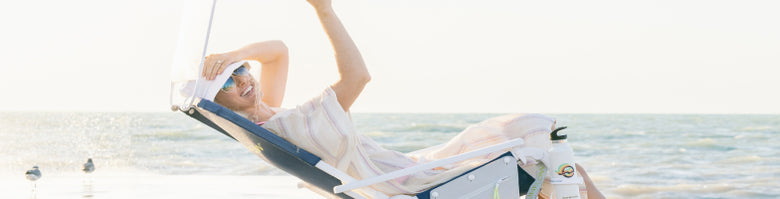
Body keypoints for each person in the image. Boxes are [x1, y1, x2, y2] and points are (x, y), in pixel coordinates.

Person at [195, 0, 605, 198]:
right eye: (227, 85)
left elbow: (279, 49)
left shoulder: (268, 115)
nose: (242, 81)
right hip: (405, 182)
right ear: (224, 106)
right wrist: (324, 9)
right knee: (551, 153)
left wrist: (231, 55)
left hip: (402, 167)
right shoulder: (287, 125)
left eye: (242, 71)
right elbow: (358, 77)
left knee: (560, 164)